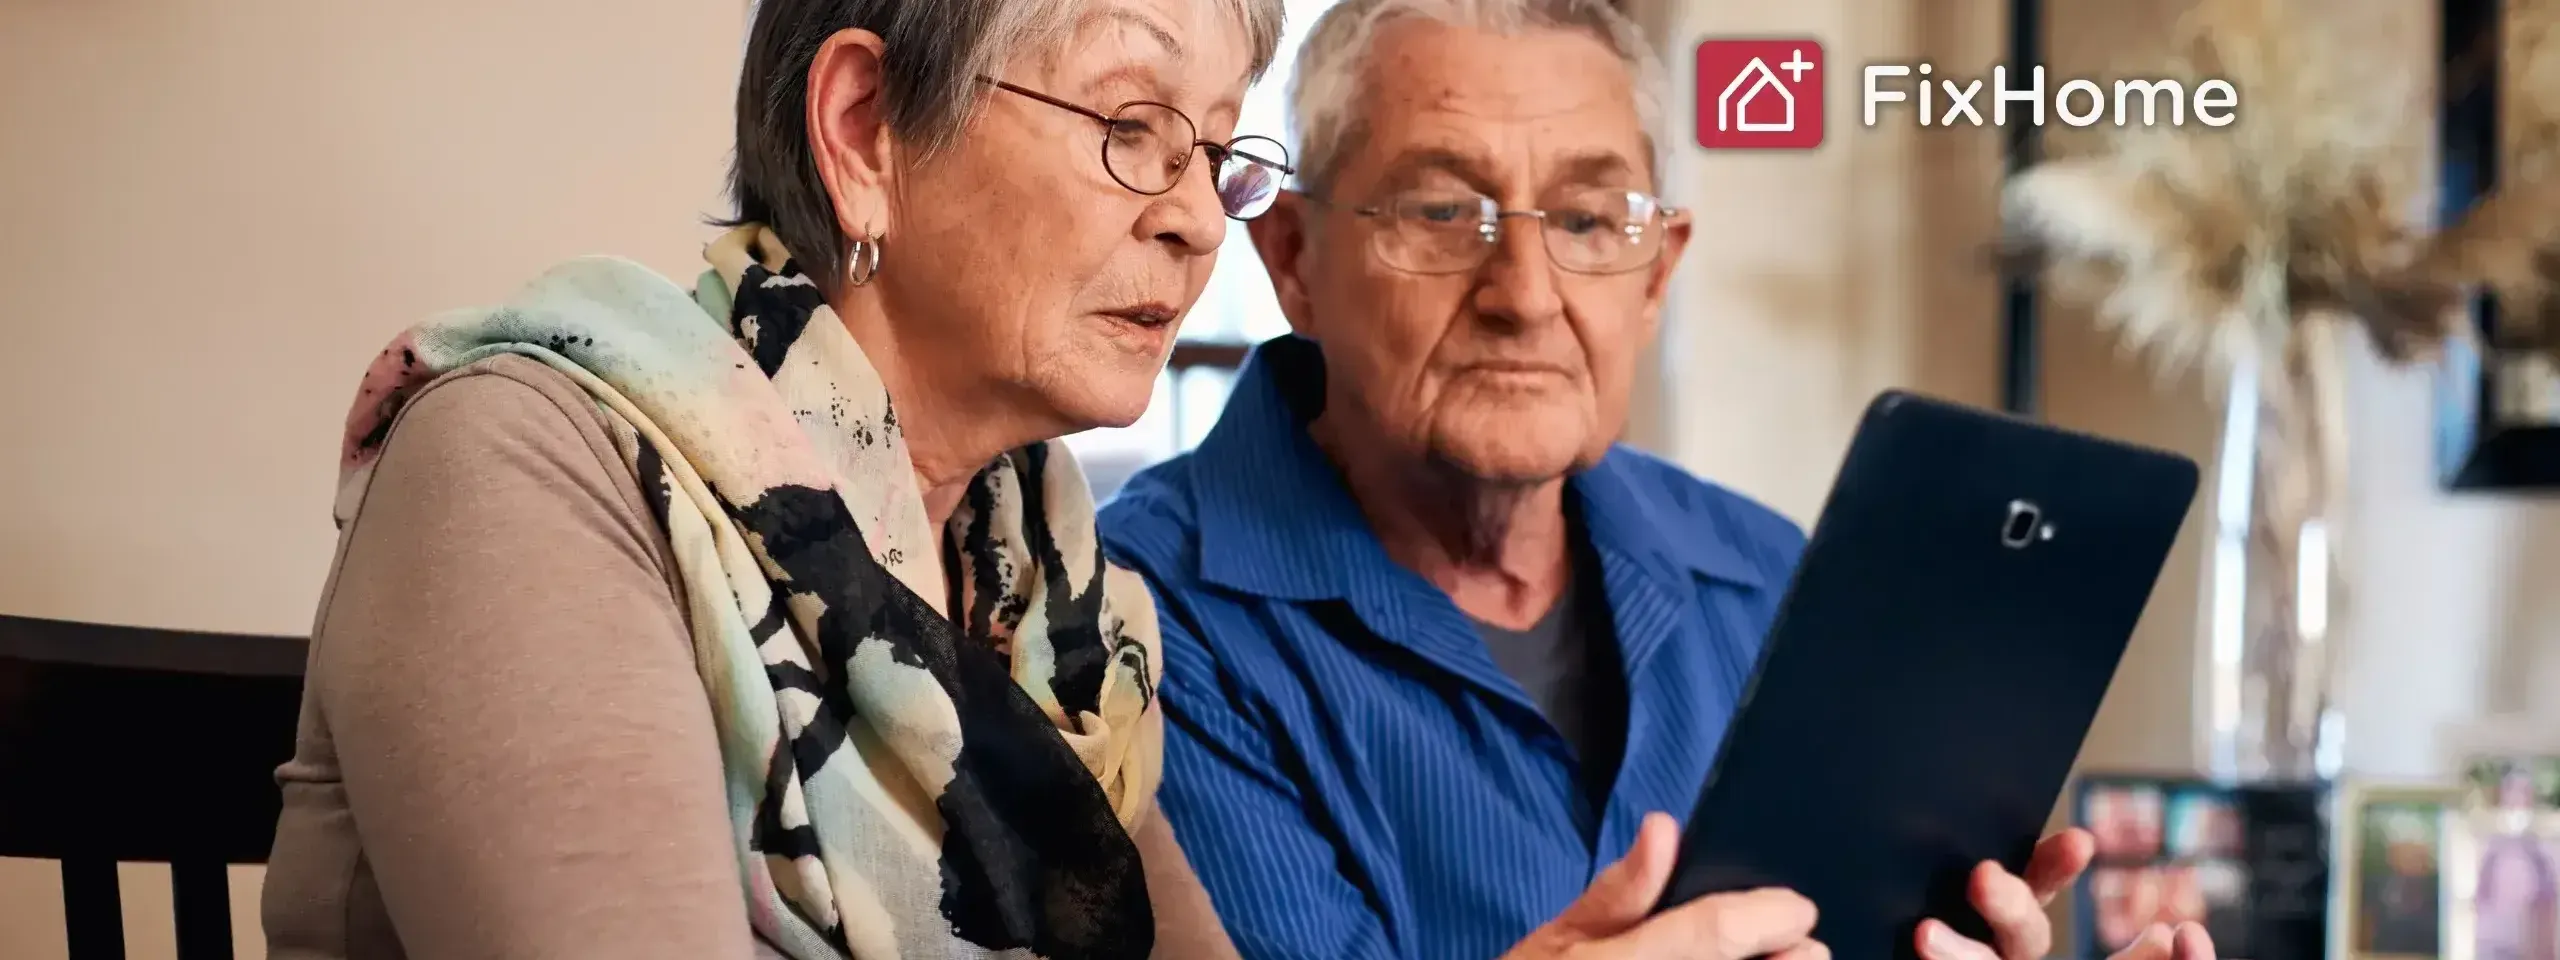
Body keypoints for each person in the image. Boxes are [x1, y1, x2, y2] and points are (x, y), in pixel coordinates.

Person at [1093, 2, 2220, 959]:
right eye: (1441, 211)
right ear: (1293, 258)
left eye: (1588, 220)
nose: (1525, 293)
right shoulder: (1131, 618)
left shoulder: (1768, 573)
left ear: (1655, 275)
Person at [260, 0, 1289, 956]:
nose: (1198, 221)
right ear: (862, 130)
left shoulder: (1063, 613)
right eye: (1130, 126)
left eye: (1214, 149)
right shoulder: (528, 465)